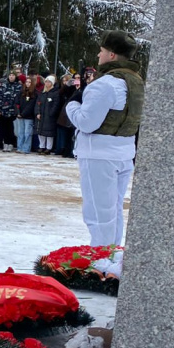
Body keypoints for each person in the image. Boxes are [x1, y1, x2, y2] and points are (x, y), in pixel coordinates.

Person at [66, 31, 143, 246]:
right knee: (113, 210)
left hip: (99, 154)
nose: (98, 55)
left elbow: (86, 122)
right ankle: (111, 255)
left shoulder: (106, 83)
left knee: (98, 213)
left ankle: (99, 262)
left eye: (101, 51)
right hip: (123, 152)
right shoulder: (136, 81)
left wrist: (73, 103)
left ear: (111, 55)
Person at [0, 71, 21, 151]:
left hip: (13, 112)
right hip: (4, 111)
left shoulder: (19, 86)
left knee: (11, 129)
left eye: (13, 75)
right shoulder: (3, 86)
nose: (11, 77)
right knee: (4, 128)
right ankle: (5, 143)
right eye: (10, 75)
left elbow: (19, 100)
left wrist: (18, 111)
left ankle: (11, 143)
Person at [36, 76, 60, 154]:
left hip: (50, 116)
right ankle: (41, 146)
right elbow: (38, 103)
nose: (47, 83)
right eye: (46, 82)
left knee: (49, 133)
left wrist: (51, 113)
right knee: (41, 132)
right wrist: (38, 112)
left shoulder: (55, 93)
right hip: (42, 115)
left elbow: (56, 104)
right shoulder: (42, 93)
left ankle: (48, 147)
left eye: (49, 82)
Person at [15, 75, 37, 153]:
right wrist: (18, 112)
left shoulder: (34, 93)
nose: (27, 83)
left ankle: (26, 148)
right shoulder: (21, 92)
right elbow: (17, 103)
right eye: (26, 82)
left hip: (28, 117)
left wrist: (23, 114)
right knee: (20, 133)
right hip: (20, 116)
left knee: (27, 133)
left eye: (29, 82)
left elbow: (31, 105)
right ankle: (19, 147)